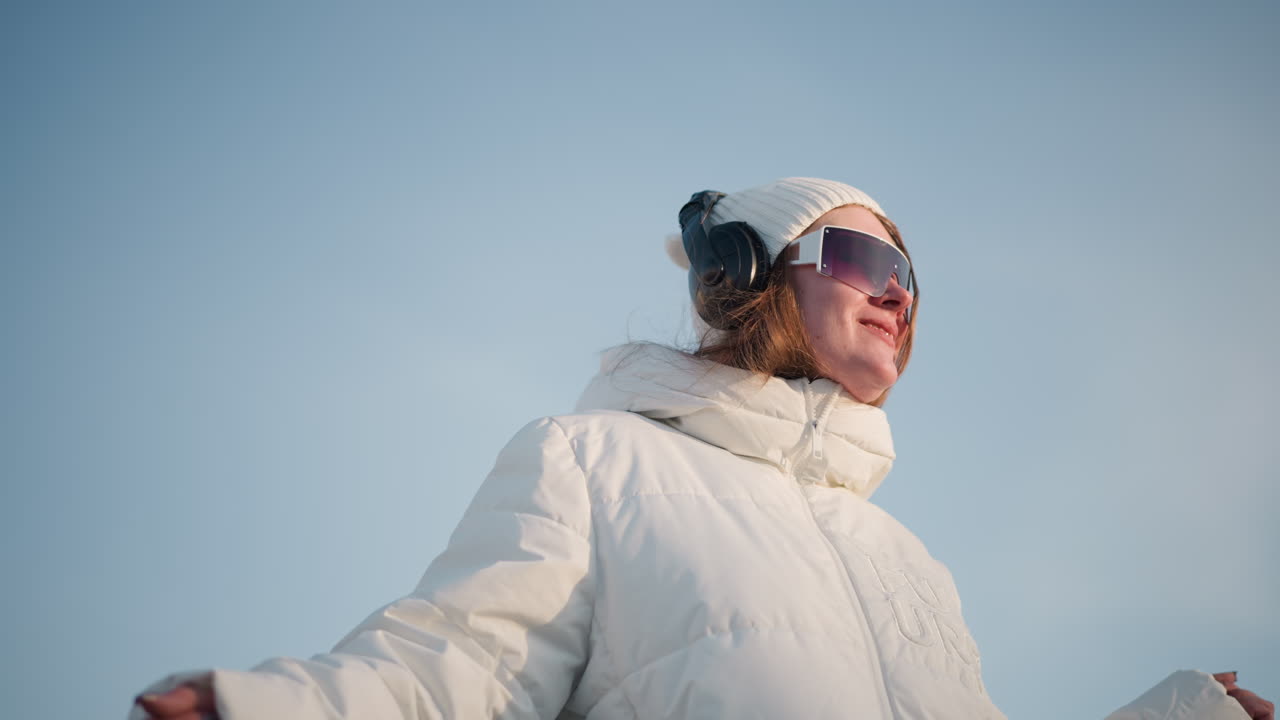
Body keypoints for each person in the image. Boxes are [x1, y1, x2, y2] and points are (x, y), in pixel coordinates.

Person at [132, 178, 1272, 720]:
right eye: (865, 266)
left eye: (910, 282)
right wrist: (265, 711)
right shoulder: (595, 463)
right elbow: (457, 673)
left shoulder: (909, 564)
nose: (897, 300)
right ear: (760, 277)